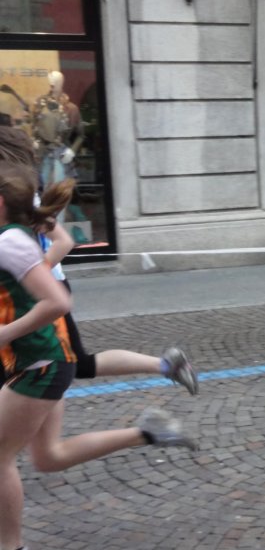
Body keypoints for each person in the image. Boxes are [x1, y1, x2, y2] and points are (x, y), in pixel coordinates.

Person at [0, 164, 196, 550]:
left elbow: (58, 301)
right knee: (48, 457)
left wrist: (6, 330)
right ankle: (149, 432)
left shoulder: (10, 242)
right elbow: (56, 250)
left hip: (41, 364)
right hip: (44, 361)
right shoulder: (15, 235)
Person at [0, 123, 198, 394]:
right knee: (71, 365)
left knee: (62, 365)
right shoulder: (18, 193)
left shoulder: (24, 198)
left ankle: (166, 367)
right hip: (41, 291)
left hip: (45, 290)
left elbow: (64, 241)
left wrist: (32, 276)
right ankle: (166, 365)